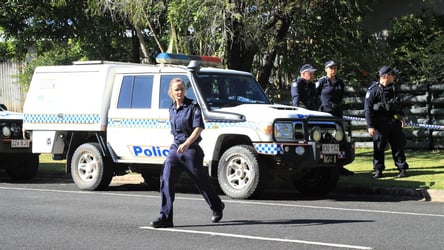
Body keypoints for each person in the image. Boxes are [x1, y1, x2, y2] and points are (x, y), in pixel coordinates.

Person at [150, 78, 225, 228]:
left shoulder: (193, 107)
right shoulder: (171, 110)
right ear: (171, 92)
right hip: (175, 148)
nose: (179, 92)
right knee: (166, 178)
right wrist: (179, 145)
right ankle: (165, 217)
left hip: (190, 148)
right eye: (176, 89)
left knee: (201, 181)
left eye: (182, 89)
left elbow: (198, 128)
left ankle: (217, 206)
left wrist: (187, 144)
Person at [364, 66, 409, 179]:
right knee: (379, 147)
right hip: (379, 123)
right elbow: (367, 109)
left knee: (398, 146)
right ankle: (378, 170)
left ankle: (402, 168)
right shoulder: (373, 90)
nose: (394, 77)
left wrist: (401, 117)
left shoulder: (394, 89)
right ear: (386, 76)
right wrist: (370, 126)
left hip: (394, 122)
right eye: (392, 74)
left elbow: (398, 105)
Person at [316, 60, 354, 176]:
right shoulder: (322, 81)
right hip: (326, 112)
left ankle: (340, 166)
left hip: (337, 112)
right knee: (326, 138)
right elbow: (315, 95)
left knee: (340, 138)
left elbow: (341, 96)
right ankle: (323, 166)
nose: (333, 70)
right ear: (326, 69)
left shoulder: (340, 82)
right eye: (331, 68)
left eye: (335, 68)